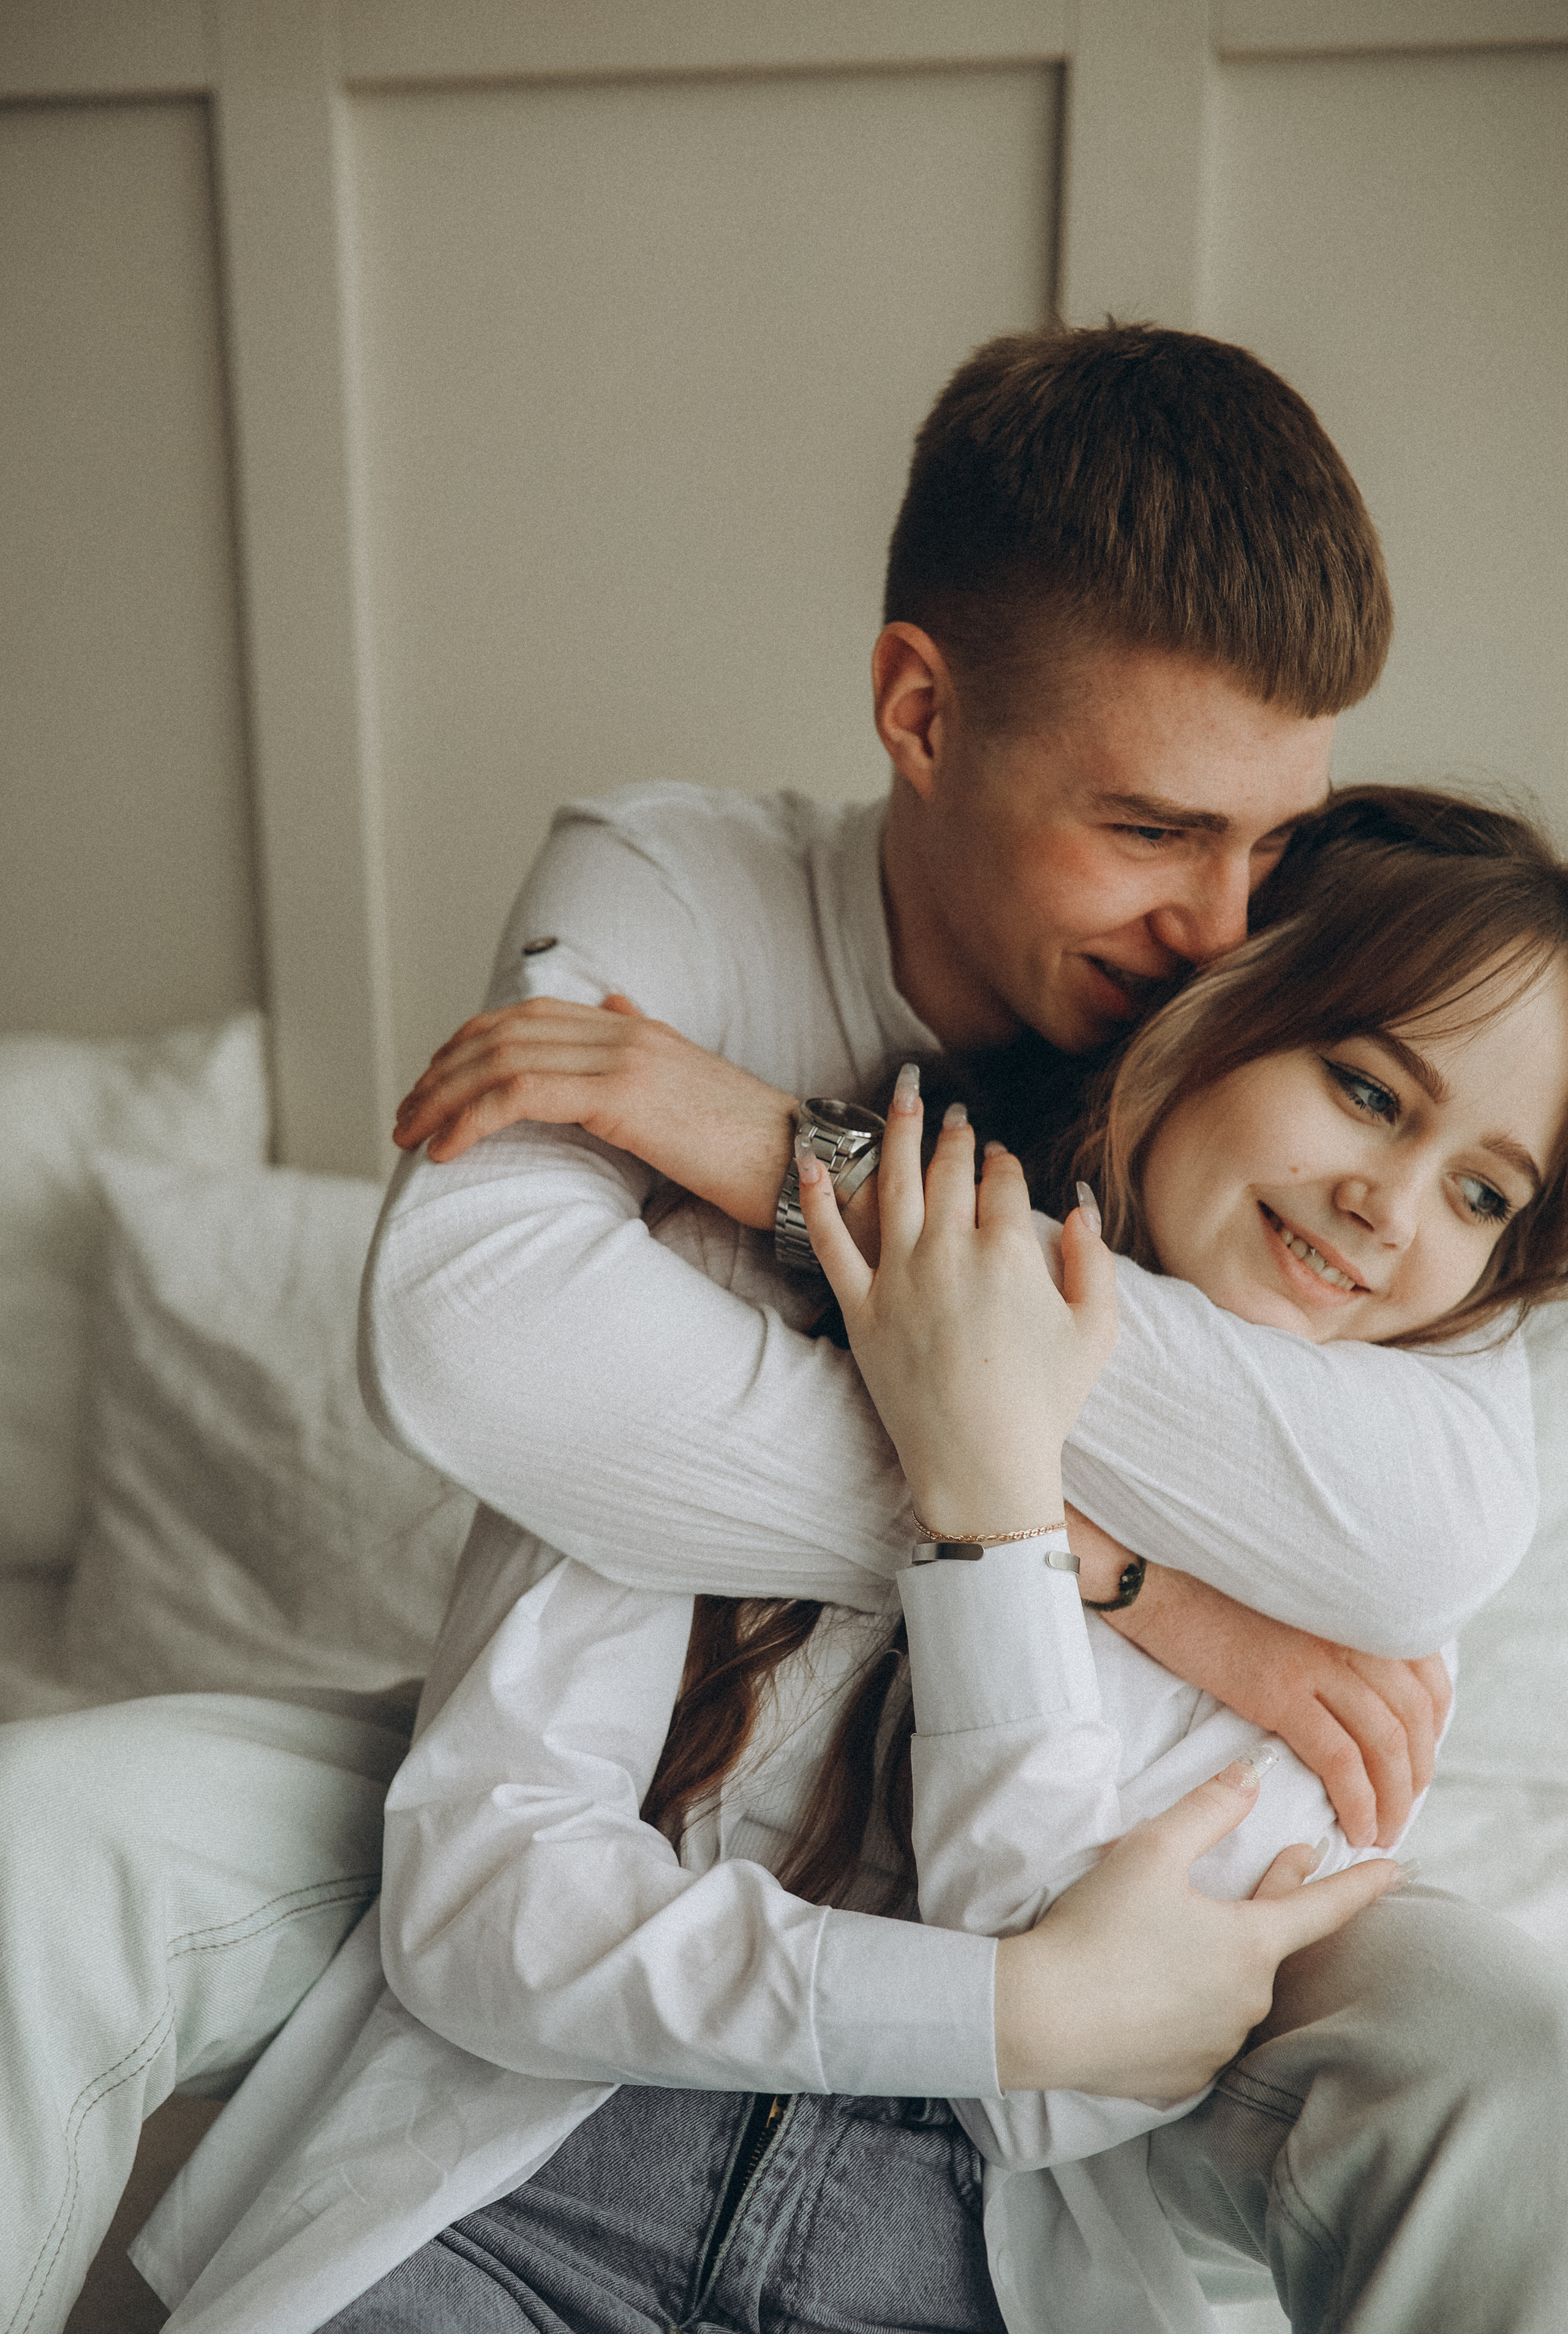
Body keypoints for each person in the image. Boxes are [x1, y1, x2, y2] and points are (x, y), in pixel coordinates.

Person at [0, 323, 1534, 2333]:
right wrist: (1117, 1568)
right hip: (626, 1837)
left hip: (1020, 2076)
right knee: (49, 1837)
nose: (1231, 933)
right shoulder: (681, 894)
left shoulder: (1355, 1165)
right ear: (919, 709)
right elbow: (484, 1355)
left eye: (1277, 847)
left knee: (1522, 2063)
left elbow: (1417, 1546)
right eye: (1153, 831)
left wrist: (753, 1137)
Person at [135, 789, 1568, 2334]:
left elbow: (1056, 2103)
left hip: (955, 2274)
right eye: (1364, 1090)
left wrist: (1000, 1508)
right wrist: (1016, 1992)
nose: (1390, 1207)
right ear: (1203, 1017)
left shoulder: (1349, 1601)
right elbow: (484, 1907)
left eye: (1483, 1192)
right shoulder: (723, 1299)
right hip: (521, 2190)